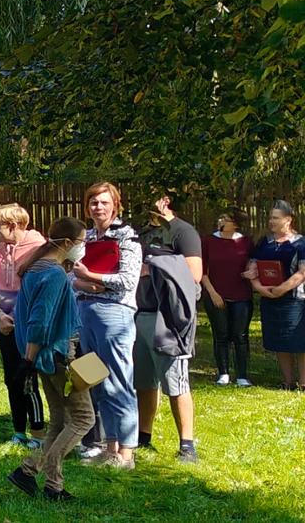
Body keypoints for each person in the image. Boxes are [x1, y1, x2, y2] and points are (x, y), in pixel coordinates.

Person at [7, 217, 96, 503]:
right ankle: (29, 468)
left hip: (46, 356)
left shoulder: (36, 268)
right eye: (81, 241)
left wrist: (29, 358)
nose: (83, 247)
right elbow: (39, 321)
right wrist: (29, 360)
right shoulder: (54, 274)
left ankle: (54, 486)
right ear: (68, 243)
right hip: (58, 355)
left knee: (60, 418)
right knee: (84, 418)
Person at [74, 181, 141, 468]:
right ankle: (109, 448)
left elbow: (128, 280)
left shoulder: (128, 236)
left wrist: (94, 279)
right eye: (93, 203)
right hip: (85, 312)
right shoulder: (84, 237)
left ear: (115, 204)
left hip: (115, 315)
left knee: (118, 382)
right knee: (96, 380)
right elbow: (71, 278)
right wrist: (87, 282)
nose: (97, 207)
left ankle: (127, 453)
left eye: (103, 202)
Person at [134, 192, 202, 463]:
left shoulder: (184, 232)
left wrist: (151, 268)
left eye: (153, 196)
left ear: (166, 200)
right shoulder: (142, 232)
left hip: (168, 318)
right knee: (144, 381)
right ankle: (143, 436)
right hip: (139, 313)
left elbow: (194, 275)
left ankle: (187, 444)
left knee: (176, 381)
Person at [0, 203, 48, 448]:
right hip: (5, 324)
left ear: (12, 225)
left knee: (28, 377)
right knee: (12, 378)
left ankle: (38, 432)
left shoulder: (40, 248)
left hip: (29, 326)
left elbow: (41, 290)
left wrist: (18, 319)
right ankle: (18, 431)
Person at [244, 200, 305, 389]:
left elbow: (302, 272)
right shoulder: (265, 242)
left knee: (300, 342)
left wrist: (282, 289)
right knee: (279, 341)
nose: (271, 221)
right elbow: (252, 267)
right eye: (270, 217)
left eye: (276, 218)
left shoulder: (300, 243)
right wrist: (259, 288)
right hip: (269, 299)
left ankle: (303, 383)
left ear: (288, 220)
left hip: (294, 300)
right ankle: (287, 381)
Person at [201, 210, 253, 387]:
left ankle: (242, 375)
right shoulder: (208, 241)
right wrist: (213, 293)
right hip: (216, 295)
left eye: (226, 219)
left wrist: (251, 271)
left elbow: (254, 263)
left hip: (241, 296)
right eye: (220, 217)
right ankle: (223, 373)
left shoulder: (246, 242)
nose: (221, 220)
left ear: (236, 224)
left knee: (240, 336)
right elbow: (202, 270)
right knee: (220, 335)